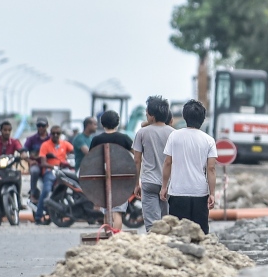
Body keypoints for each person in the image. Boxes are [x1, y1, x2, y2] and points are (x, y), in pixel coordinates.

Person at [160, 99, 218, 234]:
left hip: (177, 192)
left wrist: (164, 186)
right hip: (200, 192)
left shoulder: (174, 136)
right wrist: (212, 193)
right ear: (203, 118)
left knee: (177, 234)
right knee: (200, 234)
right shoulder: (209, 140)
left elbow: (167, 162)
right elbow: (211, 169)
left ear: (184, 116)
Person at [88, 110, 134, 231]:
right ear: (117, 123)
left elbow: (91, 160)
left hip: (103, 178)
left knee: (107, 212)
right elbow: (137, 154)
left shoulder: (96, 139)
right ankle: (116, 237)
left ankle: (108, 237)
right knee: (117, 212)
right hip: (121, 178)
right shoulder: (124, 138)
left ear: (102, 123)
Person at [133, 96, 173, 231]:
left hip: (149, 182)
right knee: (168, 221)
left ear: (151, 116)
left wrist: (136, 183)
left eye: (146, 112)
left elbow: (137, 160)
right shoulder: (173, 133)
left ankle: (154, 242)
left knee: (152, 224)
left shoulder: (142, 133)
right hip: (169, 183)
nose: (145, 115)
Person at [36, 127, 73, 223]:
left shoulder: (65, 144)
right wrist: (54, 167)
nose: (55, 135)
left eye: (58, 133)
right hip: (50, 171)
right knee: (46, 190)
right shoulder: (45, 145)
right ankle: (38, 215)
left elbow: (74, 151)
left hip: (63, 171)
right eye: (53, 133)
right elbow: (43, 162)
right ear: (50, 134)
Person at [23, 119, 50, 203]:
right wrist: (30, 161)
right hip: (36, 164)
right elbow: (23, 152)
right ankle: (33, 194)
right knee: (34, 171)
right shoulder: (31, 139)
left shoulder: (51, 138)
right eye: (39, 126)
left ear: (47, 126)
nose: (41, 128)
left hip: (49, 164)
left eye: (43, 126)